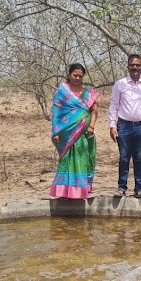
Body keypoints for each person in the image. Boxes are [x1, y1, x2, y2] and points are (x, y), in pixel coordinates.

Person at [108, 54, 141, 198]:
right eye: (132, 65)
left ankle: (138, 189)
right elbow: (113, 106)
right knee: (124, 158)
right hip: (124, 126)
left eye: (138, 65)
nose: (135, 67)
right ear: (128, 66)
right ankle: (121, 188)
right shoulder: (120, 84)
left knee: (139, 159)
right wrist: (112, 125)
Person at [50, 63, 100, 199]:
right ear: (69, 75)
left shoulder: (88, 92)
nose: (77, 78)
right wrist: (56, 132)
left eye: (80, 76)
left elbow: (94, 111)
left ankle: (81, 190)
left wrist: (92, 126)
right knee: (67, 159)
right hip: (67, 133)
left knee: (83, 159)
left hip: (84, 134)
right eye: (75, 75)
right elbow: (57, 113)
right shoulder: (62, 91)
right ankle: (64, 191)